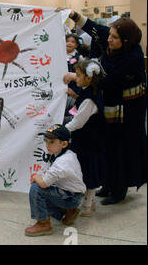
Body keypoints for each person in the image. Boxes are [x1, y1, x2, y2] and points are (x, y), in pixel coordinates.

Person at [61, 8, 147, 205]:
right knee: (106, 143)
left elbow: (107, 79)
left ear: (125, 41)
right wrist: (73, 15)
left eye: (114, 38)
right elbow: (94, 29)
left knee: (121, 147)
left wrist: (76, 77)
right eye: (110, 35)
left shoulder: (132, 58)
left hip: (128, 111)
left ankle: (119, 188)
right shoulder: (111, 41)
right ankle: (107, 184)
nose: (109, 39)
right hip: (110, 104)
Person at [25, 124, 86, 237]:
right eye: (46, 141)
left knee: (36, 189)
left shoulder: (62, 162)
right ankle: (68, 211)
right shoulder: (65, 154)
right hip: (72, 194)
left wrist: (35, 177)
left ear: (64, 144)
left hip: (71, 197)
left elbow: (43, 183)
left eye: (52, 142)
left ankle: (44, 224)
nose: (47, 145)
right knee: (42, 197)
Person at [65, 59, 106, 216]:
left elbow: (78, 122)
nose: (76, 78)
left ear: (89, 78)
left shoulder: (89, 99)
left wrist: (62, 131)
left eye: (79, 75)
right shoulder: (87, 92)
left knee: (88, 171)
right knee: (87, 169)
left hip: (89, 141)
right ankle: (91, 202)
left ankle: (87, 205)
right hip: (86, 139)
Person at [64, 34, 83, 124]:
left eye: (72, 42)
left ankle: (70, 123)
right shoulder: (60, 55)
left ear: (76, 45)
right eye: (67, 41)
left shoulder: (79, 57)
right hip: (63, 86)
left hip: (74, 87)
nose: (69, 43)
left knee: (73, 108)